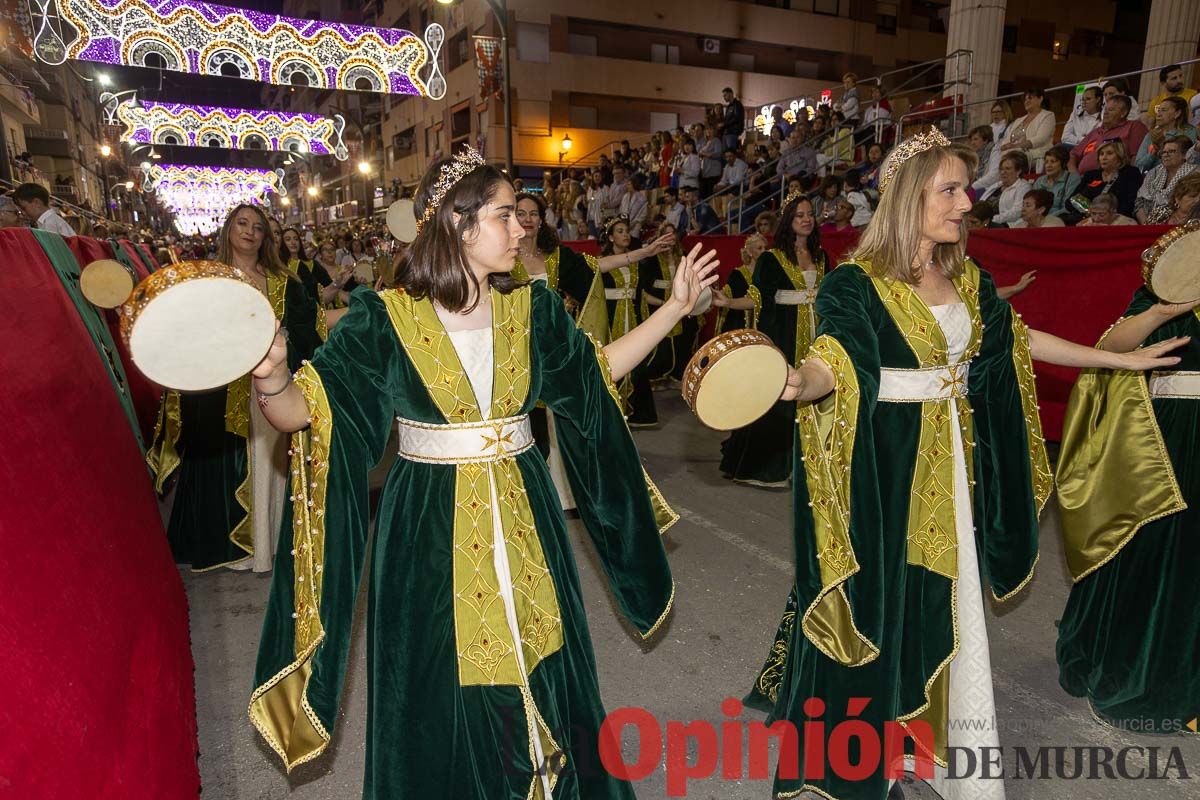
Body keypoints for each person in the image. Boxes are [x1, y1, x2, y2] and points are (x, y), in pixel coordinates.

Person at [247, 148, 719, 800]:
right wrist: (273, 379)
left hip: (526, 512)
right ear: (460, 225)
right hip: (427, 528)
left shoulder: (536, 310)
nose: (523, 226)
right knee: (439, 680)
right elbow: (309, 413)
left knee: (540, 656)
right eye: (505, 214)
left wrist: (674, 310)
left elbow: (592, 374)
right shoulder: (383, 319)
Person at [744, 129, 1184, 800]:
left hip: (954, 466)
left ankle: (931, 756)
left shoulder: (968, 280)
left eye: (966, 189)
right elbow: (833, 358)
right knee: (882, 609)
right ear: (908, 199)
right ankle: (868, 756)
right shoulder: (855, 284)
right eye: (949, 190)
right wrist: (796, 383)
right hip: (885, 476)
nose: (965, 202)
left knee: (946, 605)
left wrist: (1119, 359)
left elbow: (1016, 341)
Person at [146, 204, 333, 573]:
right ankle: (240, 549)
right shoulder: (206, 278)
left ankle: (273, 543)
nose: (249, 231)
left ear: (266, 237)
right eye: (242, 223)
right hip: (222, 389)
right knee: (231, 459)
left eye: (258, 227)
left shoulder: (283, 280)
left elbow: (310, 327)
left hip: (273, 382)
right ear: (228, 228)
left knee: (273, 457)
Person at [1056, 272, 1199, 737]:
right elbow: (1114, 344)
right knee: (1160, 558)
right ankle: (1142, 677)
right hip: (1171, 443)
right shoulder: (1171, 278)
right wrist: (1161, 310)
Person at [717, 191, 825, 488]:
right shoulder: (771, 259)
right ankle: (766, 468)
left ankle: (809, 467)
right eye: (799, 215)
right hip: (784, 334)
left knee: (817, 395)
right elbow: (757, 299)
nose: (806, 220)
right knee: (781, 400)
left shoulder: (821, 256)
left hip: (817, 333)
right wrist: (727, 304)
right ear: (788, 221)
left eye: (809, 214)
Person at [639, 222, 697, 383]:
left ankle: (678, 373)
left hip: (682, 306)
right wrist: (662, 302)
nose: (670, 238)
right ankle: (656, 375)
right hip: (658, 306)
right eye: (666, 234)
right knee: (661, 341)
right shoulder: (651, 260)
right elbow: (643, 288)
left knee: (682, 340)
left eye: (673, 234)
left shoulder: (683, 256)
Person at [1070, 94, 1147, 174]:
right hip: (1082, 179)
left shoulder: (1134, 126)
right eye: (1105, 109)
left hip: (1111, 178)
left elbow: (1137, 157)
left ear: (1123, 113)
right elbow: (1073, 154)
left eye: (1111, 110)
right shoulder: (1095, 131)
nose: (1106, 113)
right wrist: (1074, 176)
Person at [1074, 139, 1142, 220]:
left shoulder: (1130, 173)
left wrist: (1107, 216)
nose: (1104, 157)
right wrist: (1092, 212)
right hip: (1086, 219)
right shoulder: (1091, 175)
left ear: (1120, 156)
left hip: (1117, 220)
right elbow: (1072, 200)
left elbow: (1131, 203)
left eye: (1109, 153)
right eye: (1101, 154)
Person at [1136, 136, 1198, 223]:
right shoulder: (1153, 172)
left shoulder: (1195, 173)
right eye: (1163, 152)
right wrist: (1147, 224)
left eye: (1171, 151)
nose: (1166, 155)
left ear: (1184, 155)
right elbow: (1139, 202)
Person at [715, 231, 765, 333]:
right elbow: (727, 293)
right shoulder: (738, 274)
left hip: (764, 325)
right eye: (760, 248)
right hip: (741, 325)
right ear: (750, 252)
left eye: (765, 248)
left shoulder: (769, 273)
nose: (764, 251)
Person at [1136, 95, 1198, 171]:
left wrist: (1161, 147)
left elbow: (1191, 160)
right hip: (1152, 178)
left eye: (1164, 110)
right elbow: (1139, 165)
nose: (1158, 115)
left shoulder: (1190, 132)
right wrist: (1153, 153)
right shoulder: (1151, 135)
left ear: (1177, 113)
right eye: (1158, 110)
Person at [997, 88, 1055, 163]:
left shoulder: (1048, 116)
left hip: (1036, 153)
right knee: (996, 154)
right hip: (1013, 152)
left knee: (1011, 159)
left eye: (1030, 98)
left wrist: (1016, 146)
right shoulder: (1018, 120)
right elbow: (1007, 139)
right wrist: (1004, 146)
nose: (1026, 101)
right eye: (1025, 99)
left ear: (1040, 99)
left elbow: (1041, 139)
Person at [982, 151, 1032, 226]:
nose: (1003, 172)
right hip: (984, 222)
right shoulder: (996, 185)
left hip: (1005, 225)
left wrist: (991, 219)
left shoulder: (1023, 186)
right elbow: (981, 203)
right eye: (1001, 169)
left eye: (1007, 169)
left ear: (1018, 171)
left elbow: (1017, 212)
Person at [1032, 144, 1081, 219]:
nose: (1048, 165)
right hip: (1038, 218)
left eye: (1053, 161)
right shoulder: (1040, 181)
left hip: (1060, 219)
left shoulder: (1073, 179)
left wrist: (1047, 218)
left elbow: (1068, 207)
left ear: (1063, 163)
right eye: (1046, 162)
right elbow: (1032, 204)